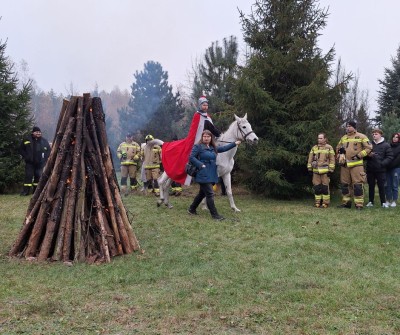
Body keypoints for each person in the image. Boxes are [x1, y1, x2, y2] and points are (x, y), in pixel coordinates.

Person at [161, 96, 221, 186]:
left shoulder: (207, 117)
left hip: (207, 139)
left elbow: (212, 128)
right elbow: (195, 131)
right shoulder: (197, 115)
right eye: (204, 105)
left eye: (207, 105)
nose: (205, 107)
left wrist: (219, 135)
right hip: (198, 142)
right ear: (200, 105)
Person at [187, 130, 241, 220]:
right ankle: (215, 215)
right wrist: (200, 164)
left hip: (211, 174)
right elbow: (191, 157)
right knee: (210, 193)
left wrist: (234, 143)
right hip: (202, 173)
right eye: (204, 136)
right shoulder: (198, 146)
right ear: (202, 137)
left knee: (201, 194)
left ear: (211, 138)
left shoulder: (213, 147)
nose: (206, 138)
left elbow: (223, 149)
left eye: (208, 136)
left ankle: (191, 209)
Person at [336, 121, 372, 210]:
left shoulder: (361, 136)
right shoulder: (343, 137)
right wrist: (339, 153)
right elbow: (338, 147)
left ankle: (359, 205)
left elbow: (369, 148)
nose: (347, 128)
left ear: (354, 127)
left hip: (357, 165)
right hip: (345, 165)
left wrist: (359, 155)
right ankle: (346, 203)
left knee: (357, 185)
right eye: (346, 126)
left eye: (349, 126)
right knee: (345, 185)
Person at [365, 129, 393, 208]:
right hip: (370, 169)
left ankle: (383, 202)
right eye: (373, 134)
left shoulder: (386, 145)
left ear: (380, 135)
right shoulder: (369, 145)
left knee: (381, 186)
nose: (374, 135)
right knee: (371, 186)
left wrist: (382, 164)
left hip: (381, 170)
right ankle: (370, 201)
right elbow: (364, 156)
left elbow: (390, 157)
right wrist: (368, 155)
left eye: (376, 134)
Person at [19, 126, 51, 196]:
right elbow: (21, 149)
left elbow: (48, 150)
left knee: (38, 177)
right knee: (28, 176)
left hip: (40, 163)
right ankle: (25, 191)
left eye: (39, 132)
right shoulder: (27, 139)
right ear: (33, 132)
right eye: (37, 132)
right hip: (30, 162)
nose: (38, 133)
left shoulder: (44, 141)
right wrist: (26, 157)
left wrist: (45, 159)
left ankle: (36, 192)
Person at [307, 133, 335, 208]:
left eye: (321, 138)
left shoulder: (329, 148)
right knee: (317, 188)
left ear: (325, 139)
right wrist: (309, 169)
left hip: (325, 172)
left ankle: (325, 203)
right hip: (316, 172)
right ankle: (317, 202)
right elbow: (310, 159)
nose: (319, 140)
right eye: (318, 138)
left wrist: (331, 170)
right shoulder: (314, 148)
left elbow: (332, 160)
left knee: (325, 188)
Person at [385, 132, 400, 207]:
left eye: (396, 137)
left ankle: (394, 201)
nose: (395, 138)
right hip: (387, 168)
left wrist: (389, 165)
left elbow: (398, 160)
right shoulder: (388, 146)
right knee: (387, 185)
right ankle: (388, 200)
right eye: (394, 137)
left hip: (396, 168)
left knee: (395, 185)